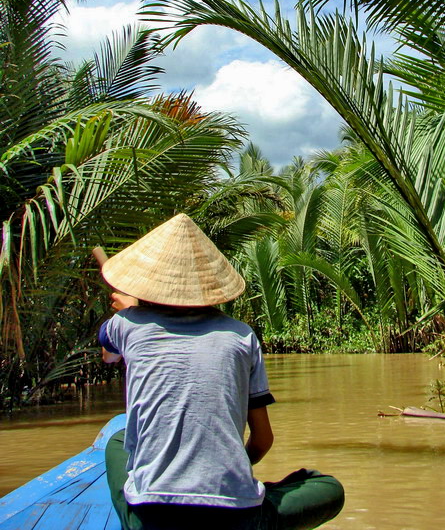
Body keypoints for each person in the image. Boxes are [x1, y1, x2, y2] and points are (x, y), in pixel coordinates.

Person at [98, 213, 344, 530]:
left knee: (118, 442)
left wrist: (131, 313)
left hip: (153, 519)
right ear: (211, 289)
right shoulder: (241, 336)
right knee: (326, 488)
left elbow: (108, 356)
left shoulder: (127, 324)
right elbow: (263, 440)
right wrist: (228, 471)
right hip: (237, 519)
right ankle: (248, 499)